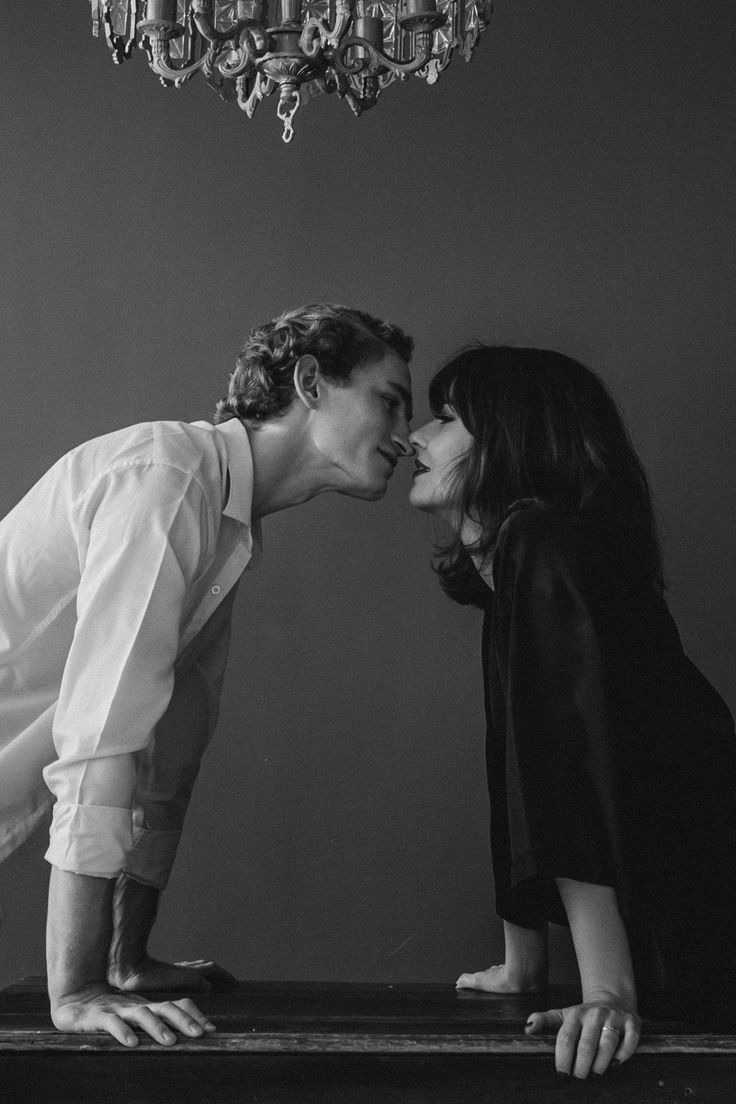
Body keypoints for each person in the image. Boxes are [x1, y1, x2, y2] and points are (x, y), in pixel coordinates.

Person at [0, 302, 414, 1047]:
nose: (408, 436)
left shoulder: (227, 524)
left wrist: (125, 961)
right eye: (389, 400)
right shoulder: (165, 481)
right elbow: (102, 737)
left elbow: (172, 753)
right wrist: (78, 989)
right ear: (311, 382)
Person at [408, 345, 736, 1079]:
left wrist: (608, 991)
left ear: (514, 441)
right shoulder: (526, 557)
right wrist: (523, 961)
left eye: (448, 419)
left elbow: (573, 769)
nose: (417, 437)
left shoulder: (542, 542)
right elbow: (518, 760)